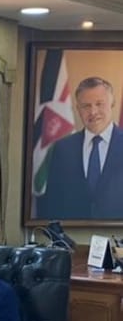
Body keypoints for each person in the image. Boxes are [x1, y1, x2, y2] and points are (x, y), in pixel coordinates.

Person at [37, 76, 123, 220]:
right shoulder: (63, 148)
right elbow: (52, 202)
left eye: (99, 104)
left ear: (112, 103)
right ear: (78, 109)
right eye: (86, 106)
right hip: (72, 232)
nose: (93, 112)